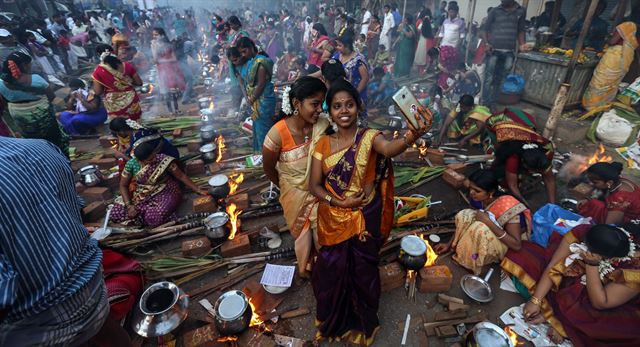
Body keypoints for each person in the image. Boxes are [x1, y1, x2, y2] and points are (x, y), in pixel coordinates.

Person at [309, 79, 432, 346]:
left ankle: (362, 325)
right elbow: (314, 186)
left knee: (363, 272)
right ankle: (333, 322)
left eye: (349, 105)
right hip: (333, 218)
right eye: (337, 106)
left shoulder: (370, 137)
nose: (344, 111)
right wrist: (337, 203)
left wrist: (412, 135)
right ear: (329, 112)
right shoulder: (322, 145)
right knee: (331, 270)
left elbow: (389, 149)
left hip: (364, 218)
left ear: (358, 107)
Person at [0, 137, 131, 347]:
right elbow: (76, 213)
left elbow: (3, 294)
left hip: (36, 322)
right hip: (92, 288)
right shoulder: (43, 147)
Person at [501, 223, 640, 346]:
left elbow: (600, 302)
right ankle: (553, 311)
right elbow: (553, 265)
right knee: (522, 254)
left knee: (598, 324)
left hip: (598, 302)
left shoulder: (634, 268)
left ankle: (558, 320)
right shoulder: (583, 232)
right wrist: (535, 300)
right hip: (568, 278)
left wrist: (592, 265)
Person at [262, 77, 328, 277]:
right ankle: (306, 266)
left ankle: (323, 264)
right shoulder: (277, 134)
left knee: (323, 235)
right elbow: (269, 169)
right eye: (314, 104)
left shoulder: (322, 124)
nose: (319, 110)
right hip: (293, 192)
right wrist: (288, 187)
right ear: (297, 104)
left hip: (321, 189)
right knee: (303, 232)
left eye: (321, 104)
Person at [435, 169, 531, 274]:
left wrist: (488, 222)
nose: (472, 193)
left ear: (491, 192)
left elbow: (516, 245)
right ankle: (459, 248)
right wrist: (448, 244)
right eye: (471, 188)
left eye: (477, 191)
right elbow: (467, 222)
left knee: (480, 228)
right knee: (465, 215)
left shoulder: (506, 205)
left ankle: (471, 262)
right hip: (491, 234)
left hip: (507, 244)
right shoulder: (477, 199)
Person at [111, 140, 206, 227]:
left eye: (154, 156)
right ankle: (140, 217)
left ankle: (142, 218)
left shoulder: (163, 159)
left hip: (166, 190)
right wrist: (129, 206)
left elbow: (181, 176)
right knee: (115, 212)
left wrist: (197, 189)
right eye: (149, 160)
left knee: (155, 216)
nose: (154, 160)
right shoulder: (131, 164)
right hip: (142, 194)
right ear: (139, 160)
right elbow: (123, 185)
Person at [0, 52, 68, 155]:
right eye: (30, 64)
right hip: (41, 115)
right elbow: (52, 98)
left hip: (19, 116)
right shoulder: (36, 79)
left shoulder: (1, 83)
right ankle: (61, 159)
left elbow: (4, 102)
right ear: (24, 65)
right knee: (55, 139)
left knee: (33, 139)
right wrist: (66, 104)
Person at [488, 111, 556, 207]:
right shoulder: (513, 157)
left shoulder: (545, 152)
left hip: (524, 120)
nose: (532, 172)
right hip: (498, 120)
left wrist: (552, 205)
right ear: (523, 161)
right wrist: (525, 205)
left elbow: (550, 180)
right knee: (500, 152)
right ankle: (492, 169)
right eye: (530, 170)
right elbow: (513, 185)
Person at [481, 0, 528, 107]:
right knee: (489, 79)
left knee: (501, 79)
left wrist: (522, 44)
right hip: (493, 51)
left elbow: (521, 30)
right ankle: (484, 103)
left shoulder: (521, 11)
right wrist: (487, 43)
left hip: (509, 52)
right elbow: (484, 29)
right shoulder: (495, 11)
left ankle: (493, 103)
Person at [582, 22, 639, 110]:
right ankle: (603, 107)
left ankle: (591, 106)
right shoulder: (635, 33)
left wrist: (607, 38)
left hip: (614, 57)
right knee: (612, 84)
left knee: (600, 82)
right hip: (624, 58)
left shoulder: (625, 26)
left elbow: (612, 41)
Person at [236, 37, 277, 153]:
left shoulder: (261, 62)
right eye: (241, 53)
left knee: (264, 129)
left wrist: (251, 99)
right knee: (257, 128)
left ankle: (268, 156)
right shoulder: (252, 61)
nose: (243, 55)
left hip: (264, 101)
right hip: (256, 101)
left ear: (251, 47)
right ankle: (260, 154)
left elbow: (261, 84)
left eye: (245, 51)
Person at [92, 44, 143, 120]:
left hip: (114, 104)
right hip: (132, 100)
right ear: (113, 52)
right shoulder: (126, 65)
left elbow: (98, 92)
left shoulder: (98, 71)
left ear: (99, 55)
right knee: (136, 122)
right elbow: (139, 83)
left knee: (120, 125)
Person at [150, 28, 186, 114]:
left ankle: (176, 110)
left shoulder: (168, 45)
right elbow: (155, 60)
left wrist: (163, 61)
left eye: (156, 34)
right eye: (153, 35)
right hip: (161, 70)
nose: (154, 37)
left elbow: (174, 58)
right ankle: (170, 111)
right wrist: (154, 47)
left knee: (173, 91)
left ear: (162, 35)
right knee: (165, 91)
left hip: (170, 69)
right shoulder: (154, 45)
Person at [333, 35, 369, 118]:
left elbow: (365, 78)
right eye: (337, 45)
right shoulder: (338, 56)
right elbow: (329, 68)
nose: (337, 47)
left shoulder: (358, 59)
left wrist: (354, 94)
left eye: (339, 45)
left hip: (355, 93)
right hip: (340, 93)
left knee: (355, 119)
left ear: (347, 46)